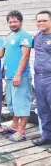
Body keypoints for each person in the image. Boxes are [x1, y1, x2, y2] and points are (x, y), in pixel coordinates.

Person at [3, 10, 33, 142]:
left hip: (20, 76)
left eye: (15, 21)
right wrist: (4, 70)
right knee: (13, 103)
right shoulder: (10, 36)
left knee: (22, 103)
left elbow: (25, 56)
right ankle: (14, 125)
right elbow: (8, 54)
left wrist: (18, 75)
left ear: (21, 22)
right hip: (10, 76)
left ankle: (22, 131)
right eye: (10, 22)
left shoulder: (25, 36)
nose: (12, 24)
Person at [32, 10, 51, 150]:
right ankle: (46, 136)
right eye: (39, 21)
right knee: (42, 109)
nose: (41, 23)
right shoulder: (37, 37)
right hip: (38, 78)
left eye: (44, 20)